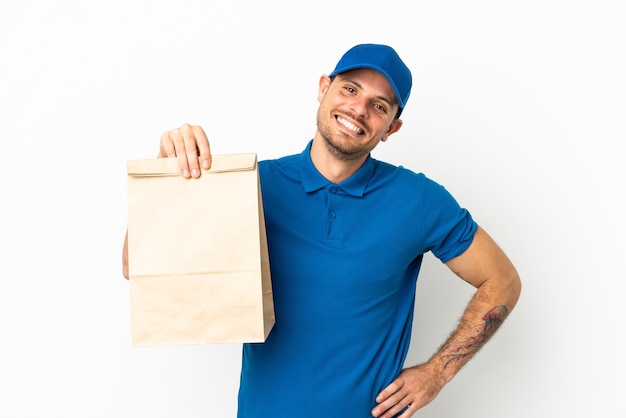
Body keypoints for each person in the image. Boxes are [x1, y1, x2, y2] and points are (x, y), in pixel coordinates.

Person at [122, 43, 521, 418]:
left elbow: (501, 279)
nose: (359, 109)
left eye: (378, 105)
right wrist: (169, 175)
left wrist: (437, 373)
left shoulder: (418, 200)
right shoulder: (254, 185)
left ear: (391, 128)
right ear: (323, 89)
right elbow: (138, 266)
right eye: (350, 88)